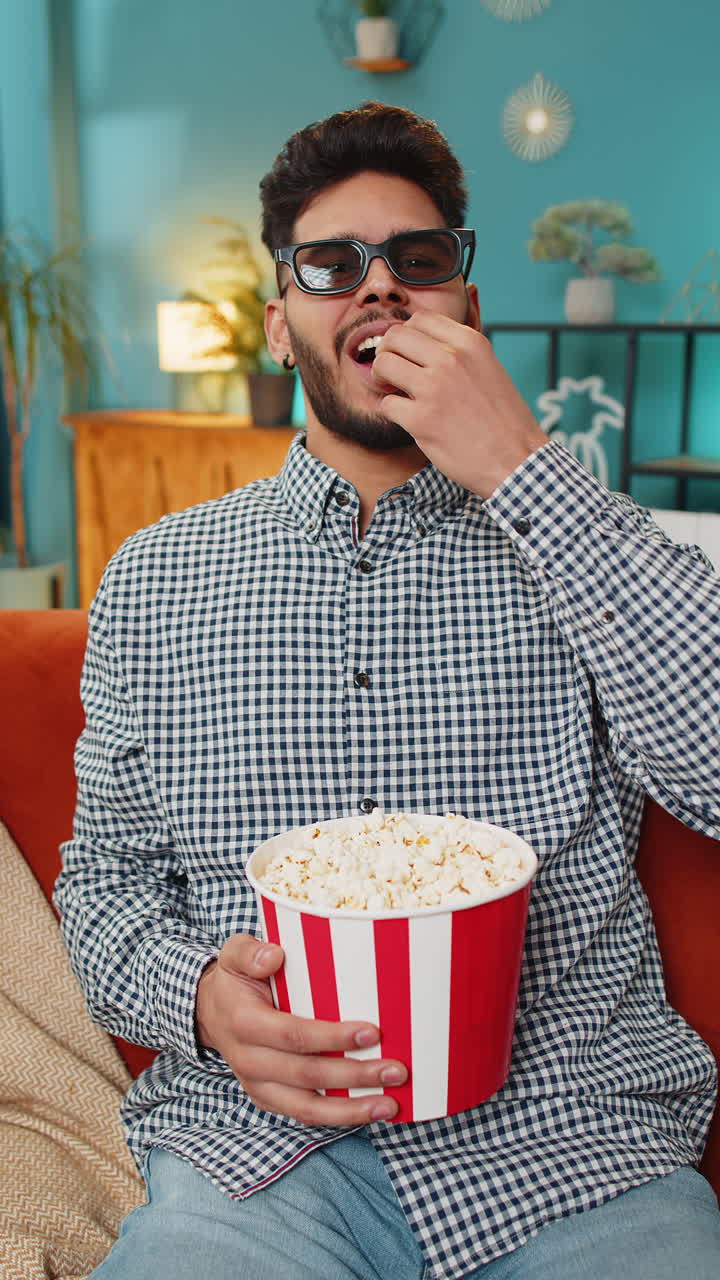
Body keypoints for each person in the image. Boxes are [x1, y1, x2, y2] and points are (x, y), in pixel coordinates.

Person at [54, 101, 720, 1279]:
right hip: (259, 1160)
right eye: (331, 263)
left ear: (467, 304)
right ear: (279, 325)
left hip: (579, 1149)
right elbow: (102, 889)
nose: (379, 287)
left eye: (419, 260)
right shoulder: (157, 577)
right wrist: (203, 998)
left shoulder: (595, 541)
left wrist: (524, 466)